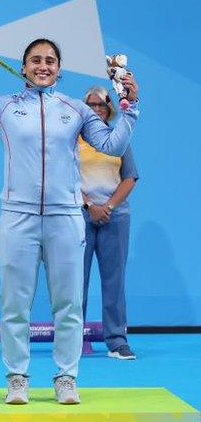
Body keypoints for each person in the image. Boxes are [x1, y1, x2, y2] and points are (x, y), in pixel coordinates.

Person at [0, 39, 140, 405]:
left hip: (65, 216)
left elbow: (112, 146)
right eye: (35, 60)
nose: (43, 65)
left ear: (59, 69)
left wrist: (130, 110)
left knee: (68, 303)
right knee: (15, 304)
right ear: (23, 68)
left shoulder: (76, 110)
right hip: (17, 216)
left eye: (50, 60)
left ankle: (66, 376)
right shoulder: (4, 107)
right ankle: (17, 376)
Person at [80, 85, 138, 360]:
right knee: (74, 281)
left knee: (114, 281)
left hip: (115, 217)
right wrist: (90, 206)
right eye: (90, 105)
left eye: (101, 105)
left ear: (109, 109)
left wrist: (108, 207)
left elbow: (130, 177)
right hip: (79, 215)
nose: (95, 109)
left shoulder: (119, 138)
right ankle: (72, 341)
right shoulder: (72, 139)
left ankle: (117, 341)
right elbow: (64, 176)